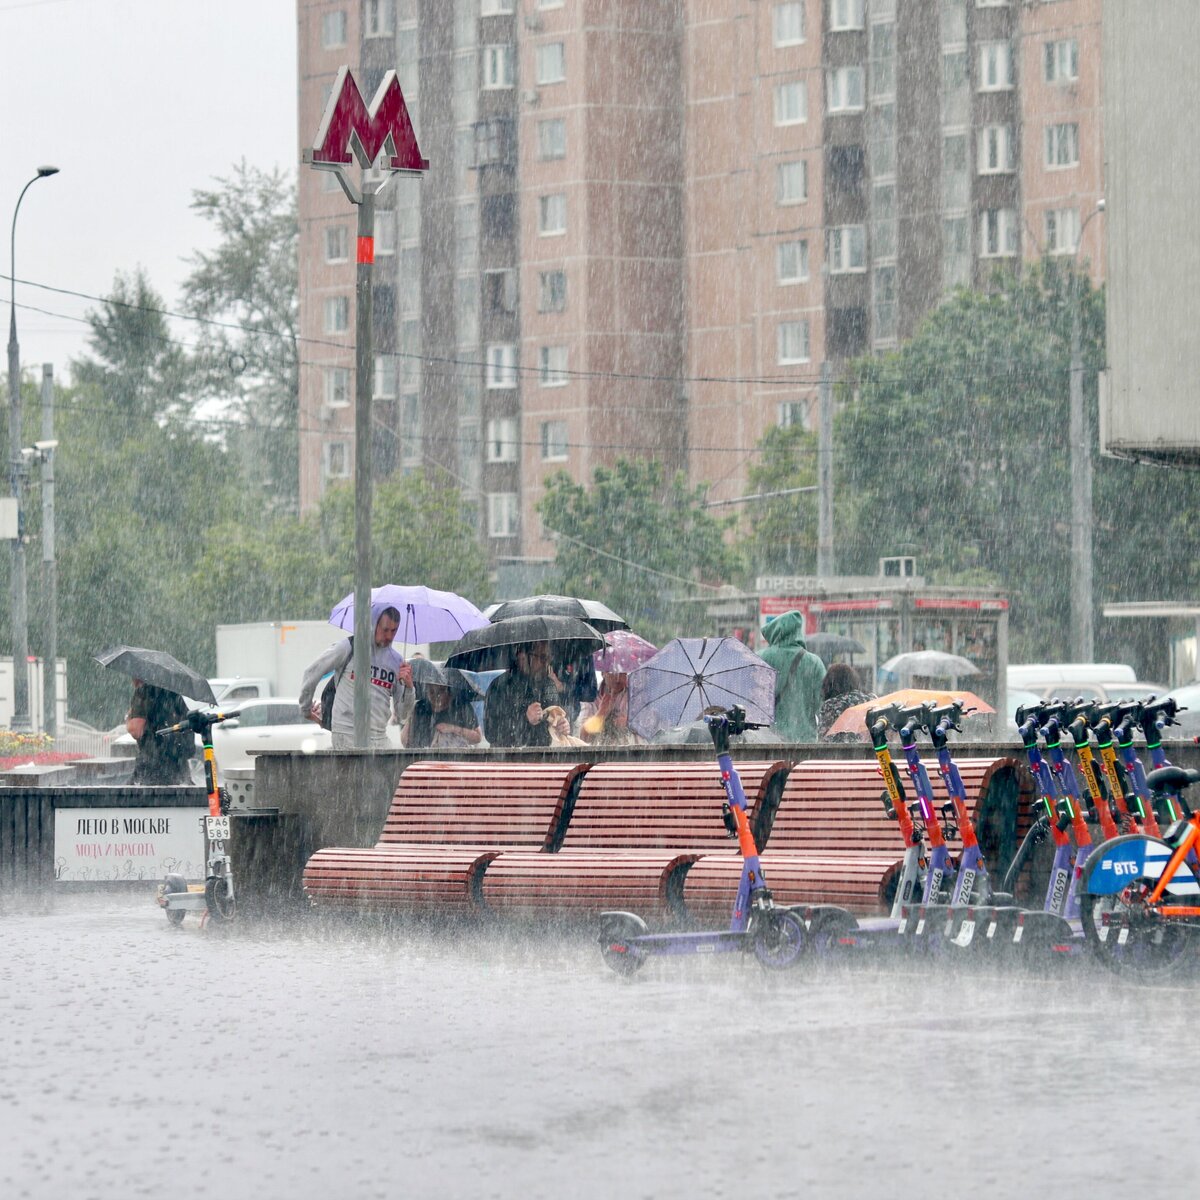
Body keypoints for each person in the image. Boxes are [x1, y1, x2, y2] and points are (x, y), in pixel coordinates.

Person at [298, 603, 414, 750]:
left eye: (394, 630)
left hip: (379, 735)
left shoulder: (397, 662)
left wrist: (409, 687)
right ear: (372, 624)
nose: (389, 636)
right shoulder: (349, 647)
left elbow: (403, 714)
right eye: (385, 630)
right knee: (355, 773)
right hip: (346, 733)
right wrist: (305, 709)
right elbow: (312, 672)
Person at [757, 610, 826, 743]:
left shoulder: (759, 659)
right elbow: (822, 707)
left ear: (774, 633)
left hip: (767, 742)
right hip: (804, 742)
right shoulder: (814, 662)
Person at [483, 641, 560, 748]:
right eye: (542, 658)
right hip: (508, 758)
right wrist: (524, 719)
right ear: (522, 657)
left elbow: (556, 714)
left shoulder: (548, 684)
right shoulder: (500, 686)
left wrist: (561, 725)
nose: (546, 663)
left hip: (542, 756)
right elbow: (491, 733)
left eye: (548, 658)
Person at [125, 681, 193, 785]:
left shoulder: (143, 692)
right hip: (180, 769)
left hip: (152, 769)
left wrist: (128, 718)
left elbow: (136, 730)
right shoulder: (173, 693)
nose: (132, 680)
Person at [402, 681, 481, 749]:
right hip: (424, 758)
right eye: (431, 692)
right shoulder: (420, 707)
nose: (436, 696)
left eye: (440, 691)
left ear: (448, 691)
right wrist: (410, 716)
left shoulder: (461, 706)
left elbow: (477, 737)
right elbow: (405, 740)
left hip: (455, 758)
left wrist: (453, 729)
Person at [577, 671, 643, 747]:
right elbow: (583, 737)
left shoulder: (636, 694)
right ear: (603, 673)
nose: (618, 678)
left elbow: (647, 727)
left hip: (631, 752)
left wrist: (629, 722)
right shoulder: (591, 697)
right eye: (613, 672)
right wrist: (601, 713)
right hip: (600, 753)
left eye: (622, 672)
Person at [816, 663, 877, 744]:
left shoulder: (830, 705)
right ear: (853, 680)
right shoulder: (869, 700)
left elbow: (823, 739)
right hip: (868, 752)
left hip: (837, 753)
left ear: (830, 684)